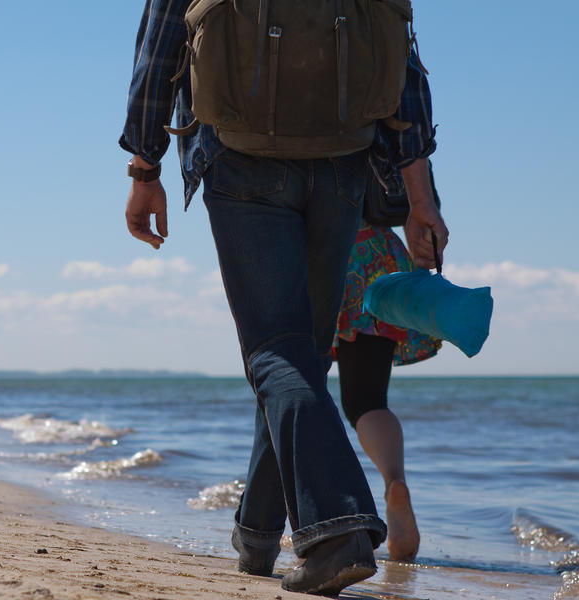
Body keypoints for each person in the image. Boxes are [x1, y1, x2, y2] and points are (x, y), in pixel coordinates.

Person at [120, 1, 448, 595]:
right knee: (298, 359)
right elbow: (404, 64)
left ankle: (337, 532)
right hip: (345, 163)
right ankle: (258, 535)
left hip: (239, 159)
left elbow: (159, 47)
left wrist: (145, 168)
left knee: (277, 353)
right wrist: (421, 196)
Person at [332, 164, 444, 563]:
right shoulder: (386, 104)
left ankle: (296, 514)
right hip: (382, 252)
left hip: (333, 251)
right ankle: (394, 479)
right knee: (369, 398)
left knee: (292, 384)